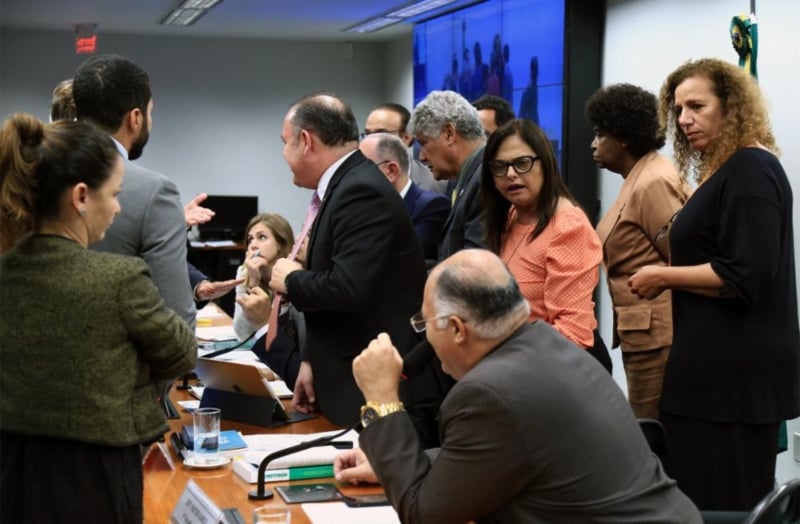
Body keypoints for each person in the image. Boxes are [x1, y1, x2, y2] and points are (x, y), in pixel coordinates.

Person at [334, 249, 702, 523]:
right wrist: (394, 462)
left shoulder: (488, 392)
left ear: (458, 329)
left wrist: (381, 399)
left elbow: (422, 513)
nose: (424, 337)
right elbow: (503, 455)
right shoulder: (547, 344)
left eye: (426, 323)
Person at [0, 114, 196, 523]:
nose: (118, 206)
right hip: (94, 472)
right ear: (82, 197)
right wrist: (126, 360)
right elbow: (180, 353)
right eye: (115, 194)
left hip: (12, 462)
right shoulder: (118, 279)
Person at [628, 58, 800, 511]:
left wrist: (662, 276)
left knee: (725, 503)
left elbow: (742, 275)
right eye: (678, 109)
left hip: (732, 385)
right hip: (711, 378)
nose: (684, 120)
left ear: (733, 106)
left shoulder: (751, 171)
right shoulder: (727, 170)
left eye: (697, 106)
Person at [268, 93, 429, 428]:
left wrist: (290, 279)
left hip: (367, 383)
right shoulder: (345, 184)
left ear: (306, 141)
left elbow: (347, 287)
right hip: (339, 371)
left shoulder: (359, 190)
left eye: (285, 143)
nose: (282, 154)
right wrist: (311, 360)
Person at [586, 83, 691, 418]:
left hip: (658, 337)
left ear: (624, 137)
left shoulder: (652, 182)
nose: (594, 144)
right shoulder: (638, 176)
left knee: (653, 433)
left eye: (600, 135)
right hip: (642, 333)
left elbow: (682, 258)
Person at [72, 54, 196, 329]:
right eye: (150, 112)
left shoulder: (29, 174)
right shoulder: (154, 192)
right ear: (135, 118)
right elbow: (176, 321)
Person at [481, 119, 601, 350]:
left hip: (552, 366)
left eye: (522, 163)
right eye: (499, 167)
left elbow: (573, 334)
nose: (510, 174)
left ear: (545, 163)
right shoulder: (511, 215)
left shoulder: (568, 227)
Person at [410, 90, 487, 260]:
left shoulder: (485, 179)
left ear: (449, 133)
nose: (421, 157)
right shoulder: (463, 179)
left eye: (424, 143)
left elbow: (474, 269)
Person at [359, 132, 450, 260]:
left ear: (391, 170)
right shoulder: (360, 209)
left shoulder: (432, 207)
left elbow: (405, 262)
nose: (354, 177)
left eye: (361, 169)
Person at [232, 213, 294, 340]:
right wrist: (253, 284)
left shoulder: (293, 272)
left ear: (280, 244)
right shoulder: (244, 272)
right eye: (250, 239)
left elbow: (284, 334)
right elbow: (242, 334)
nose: (253, 245)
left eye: (262, 237)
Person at [363, 103, 448, 195]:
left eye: (381, 133)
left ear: (406, 138)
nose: (370, 140)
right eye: (367, 134)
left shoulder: (436, 183)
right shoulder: (357, 181)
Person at [518, 56, 540, 124]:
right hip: (533, 119)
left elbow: (522, 111)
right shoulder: (533, 85)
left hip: (530, 121)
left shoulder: (530, 87)